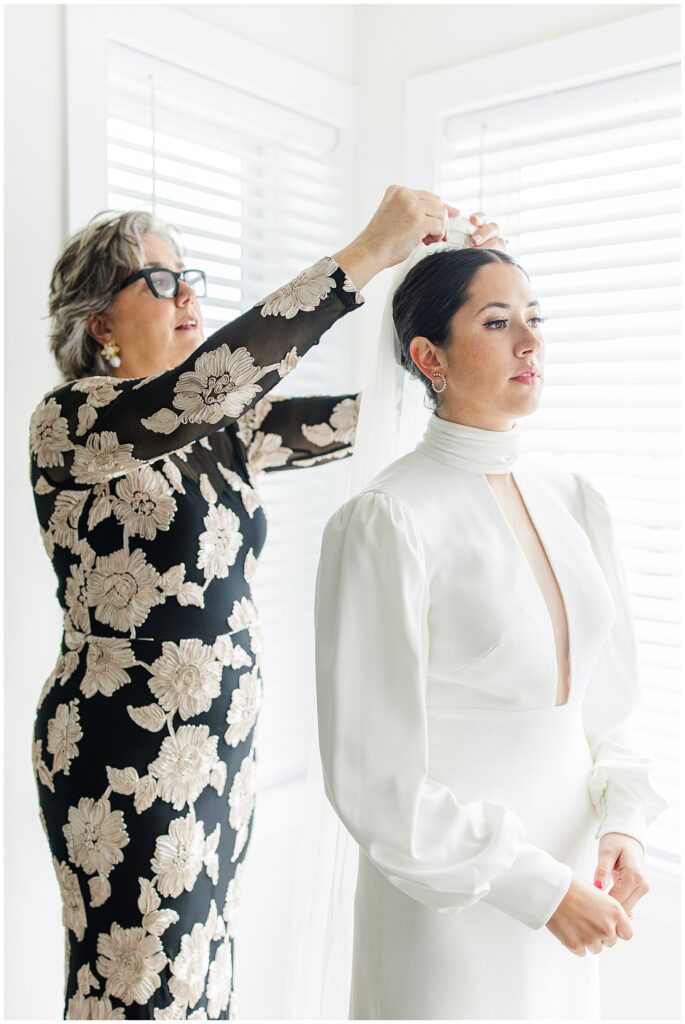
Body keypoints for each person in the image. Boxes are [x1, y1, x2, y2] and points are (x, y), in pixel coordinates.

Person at [28, 187, 500, 1019]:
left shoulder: (226, 432)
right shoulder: (70, 421)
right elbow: (212, 383)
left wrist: (445, 285)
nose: (188, 295)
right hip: (122, 748)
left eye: (189, 277)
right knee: (136, 982)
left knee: (202, 974)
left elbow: (368, 419)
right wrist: (365, 251)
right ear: (99, 322)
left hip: (220, 741)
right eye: (160, 281)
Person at [313, 220, 670, 1019]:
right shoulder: (386, 520)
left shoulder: (574, 498)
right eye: (497, 322)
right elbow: (374, 782)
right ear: (428, 358)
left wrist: (623, 823)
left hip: (578, 880)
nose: (529, 343)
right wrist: (537, 889)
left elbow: (606, 706)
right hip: (450, 901)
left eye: (534, 318)